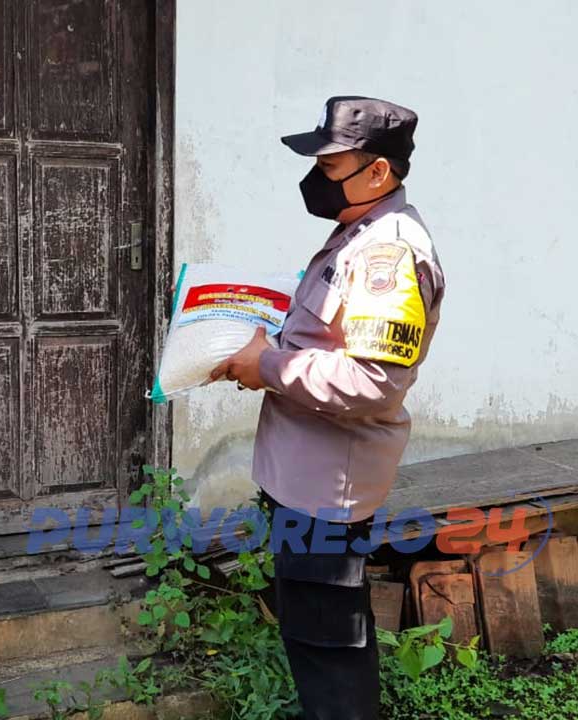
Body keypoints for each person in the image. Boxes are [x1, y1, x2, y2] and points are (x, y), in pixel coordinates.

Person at [210, 96, 446, 719]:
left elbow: (372, 381)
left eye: (330, 165)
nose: (316, 177)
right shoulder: (357, 232)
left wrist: (266, 365)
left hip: (326, 491)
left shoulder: (388, 254)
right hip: (305, 478)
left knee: (330, 652)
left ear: (379, 171)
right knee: (314, 638)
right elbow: (330, 342)